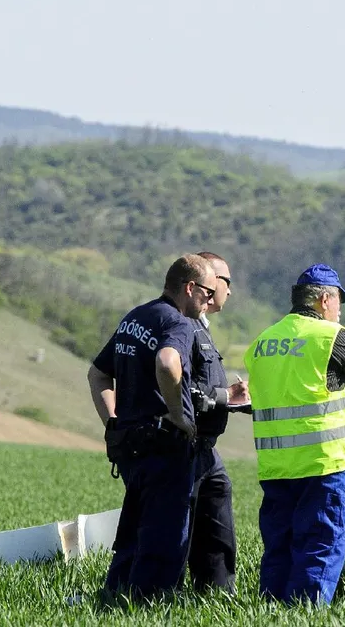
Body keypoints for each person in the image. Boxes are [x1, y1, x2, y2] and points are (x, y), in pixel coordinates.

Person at [244, 263, 345, 605]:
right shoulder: (329, 336)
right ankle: (306, 611)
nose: (339, 312)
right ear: (324, 300)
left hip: (276, 463)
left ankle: (272, 608)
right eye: (338, 303)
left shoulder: (263, 341)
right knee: (321, 541)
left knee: (280, 543)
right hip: (323, 461)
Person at [86, 254, 216, 602]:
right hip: (165, 446)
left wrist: (113, 422)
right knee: (165, 534)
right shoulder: (178, 323)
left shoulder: (137, 316)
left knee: (135, 528)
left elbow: (97, 374)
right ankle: (150, 603)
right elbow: (167, 361)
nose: (209, 301)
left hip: (131, 445)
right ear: (190, 288)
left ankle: (117, 595)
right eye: (207, 293)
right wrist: (179, 415)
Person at [184, 251, 249, 593]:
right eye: (226, 282)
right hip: (186, 447)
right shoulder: (184, 327)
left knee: (217, 516)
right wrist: (227, 396)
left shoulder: (202, 328)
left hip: (207, 449)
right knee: (178, 529)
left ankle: (217, 595)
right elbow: (180, 386)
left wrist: (232, 398)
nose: (229, 290)